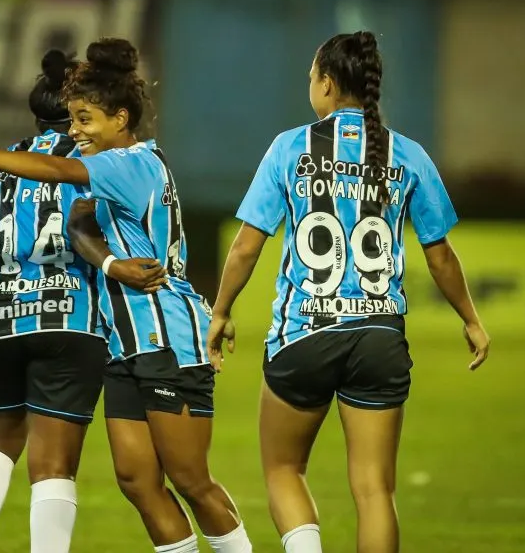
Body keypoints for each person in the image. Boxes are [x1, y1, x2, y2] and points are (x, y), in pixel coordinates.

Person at [0, 38, 254, 553]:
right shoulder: (108, 173)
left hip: (165, 338)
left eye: (86, 120)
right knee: (138, 481)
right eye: (72, 120)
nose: (75, 133)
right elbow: (78, 224)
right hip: (120, 346)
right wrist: (113, 263)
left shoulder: (132, 163)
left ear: (120, 118)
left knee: (191, 480)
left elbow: (57, 171)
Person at [205, 31, 491, 553]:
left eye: (311, 76)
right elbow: (440, 254)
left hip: (304, 334)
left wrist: (220, 311)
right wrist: (470, 319)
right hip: (380, 336)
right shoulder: (407, 154)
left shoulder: (291, 147)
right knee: (375, 490)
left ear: (328, 84)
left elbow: (246, 247)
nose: (309, 85)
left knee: (284, 470)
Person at [0, 48, 166, 553]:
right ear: (75, 113)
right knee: (54, 466)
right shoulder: (97, 161)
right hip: (69, 321)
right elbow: (94, 227)